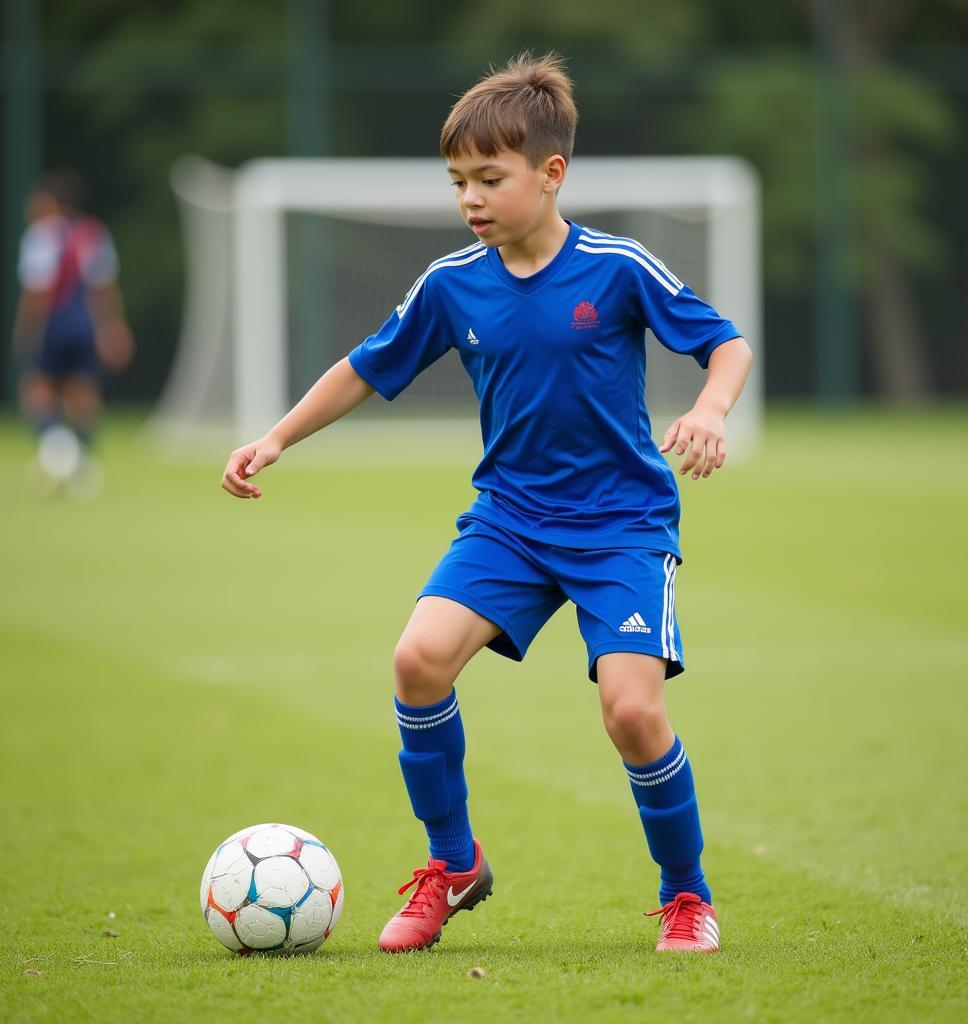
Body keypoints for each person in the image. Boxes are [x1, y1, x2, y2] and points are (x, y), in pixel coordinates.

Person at [221, 52, 752, 954]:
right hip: (508, 520)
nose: (470, 197)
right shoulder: (450, 283)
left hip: (620, 526)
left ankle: (686, 894)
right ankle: (453, 865)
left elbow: (726, 343)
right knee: (418, 660)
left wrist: (708, 408)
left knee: (631, 712)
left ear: (551, 175)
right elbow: (364, 367)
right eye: (458, 180)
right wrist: (276, 437)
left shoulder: (616, 267)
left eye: (489, 178)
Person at [12, 170, 134, 496]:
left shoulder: (41, 234)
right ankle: (83, 469)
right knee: (84, 394)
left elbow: (37, 289)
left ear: (53, 202)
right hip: (87, 325)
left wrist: (25, 330)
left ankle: (58, 449)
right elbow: (104, 287)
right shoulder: (94, 233)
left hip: (53, 323)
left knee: (35, 390)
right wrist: (112, 327)